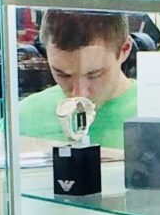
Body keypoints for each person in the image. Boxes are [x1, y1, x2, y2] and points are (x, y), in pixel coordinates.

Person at [16, 7, 138, 139]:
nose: (79, 94)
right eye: (62, 75)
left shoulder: (151, 112)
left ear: (125, 49)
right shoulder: (21, 120)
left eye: (94, 75)